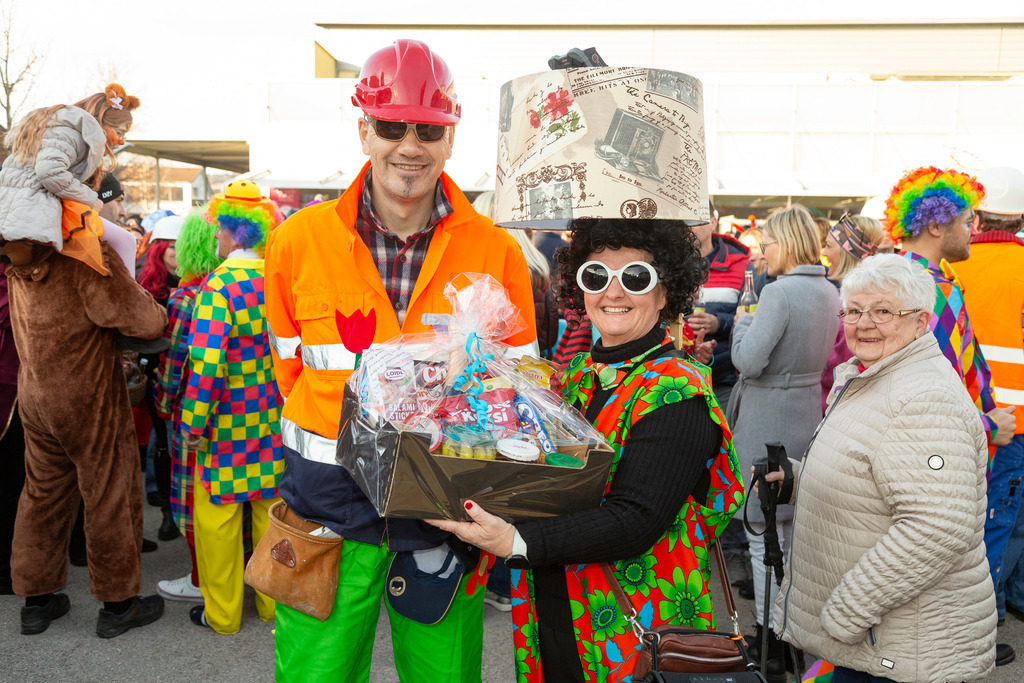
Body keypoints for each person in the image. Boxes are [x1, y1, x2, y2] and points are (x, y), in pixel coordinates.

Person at [265, 39, 537, 681]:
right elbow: (291, 369)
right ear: (365, 130)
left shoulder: (497, 250)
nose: (409, 145)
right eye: (392, 126)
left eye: (428, 129)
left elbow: (518, 390)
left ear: (450, 139)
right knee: (315, 674)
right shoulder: (296, 241)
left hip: (444, 510)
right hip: (326, 504)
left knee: (445, 676)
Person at [429, 217, 744, 682]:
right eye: (596, 276)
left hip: (637, 631)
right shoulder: (568, 376)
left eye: (636, 277)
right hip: (553, 608)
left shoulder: (678, 392)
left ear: (666, 293)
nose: (613, 292)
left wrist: (514, 542)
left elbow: (636, 520)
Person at [771, 254, 996, 682]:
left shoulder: (923, 398)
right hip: (876, 642)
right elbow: (874, 478)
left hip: (901, 649)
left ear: (920, 322)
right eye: (854, 311)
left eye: (884, 311)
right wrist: (798, 482)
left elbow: (936, 526)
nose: (865, 323)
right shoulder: (871, 375)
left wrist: (845, 614)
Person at [4, 234, 168, 638]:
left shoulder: (18, 251)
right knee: (109, 492)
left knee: (41, 495)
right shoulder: (81, 250)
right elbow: (144, 320)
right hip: (85, 394)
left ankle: (36, 602)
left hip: (36, 393)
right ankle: (118, 605)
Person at [887, 166, 1018, 665]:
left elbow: (968, 358)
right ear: (936, 225)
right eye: (968, 219)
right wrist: (986, 424)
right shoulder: (914, 285)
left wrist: (988, 411)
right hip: (936, 449)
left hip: (963, 441)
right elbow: (923, 384)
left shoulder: (940, 277)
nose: (974, 228)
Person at [726, 204, 840, 681]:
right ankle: (788, 631)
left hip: (766, 414)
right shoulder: (829, 290)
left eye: (766, 244)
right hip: (805, 410)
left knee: (761, 529)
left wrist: (743, 321)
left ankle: (769, 636)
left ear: (785, 243)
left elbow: (747, 362)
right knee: (790, 532)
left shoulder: (778, 292)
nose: (761, 252)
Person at [179, 181, 284, 633]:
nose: (216, 238)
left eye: (219, 229)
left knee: (218, 519)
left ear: (231, 231)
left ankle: (222, 615)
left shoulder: (218, 286)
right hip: (273, 417)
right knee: (270, 512)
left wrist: (192, 423)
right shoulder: (276, 278)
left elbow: (206, 364)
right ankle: (274, 606)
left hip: (225, 422)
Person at [949, 165, 1024, 630]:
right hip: (1013, 422)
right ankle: (994, 611)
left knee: (984, 520)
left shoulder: (949, 264)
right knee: (1006, 518)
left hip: (965, 417)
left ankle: (989, 608)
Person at [153, 209, 223, 603]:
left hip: (196, 416)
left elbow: (174, 363)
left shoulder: (187, 298)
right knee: (238, 499)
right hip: (240, 414)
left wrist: (163, 405)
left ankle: (203, 582)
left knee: (196, 501)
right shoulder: (245, 287)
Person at [0, 83, 139, 250]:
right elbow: (49, 171)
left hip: (23, 213)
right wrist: (90, 199)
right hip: (31, 217)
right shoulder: (71, 134)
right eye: (119, 132)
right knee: (125, 241)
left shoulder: (62, 131)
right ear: (101, 122)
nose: (121, 141)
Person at [820, 214, 882, 410]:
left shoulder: (854, 305)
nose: (824, 252)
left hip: (836, 407)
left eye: (829, 246)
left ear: (848, 253)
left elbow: (836, 369)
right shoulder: (841, 294)